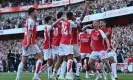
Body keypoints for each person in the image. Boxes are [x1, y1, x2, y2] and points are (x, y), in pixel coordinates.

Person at [15, 7, 43, 80]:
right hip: (30, 43)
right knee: (41, 57)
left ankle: (17, 78)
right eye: (35, 12)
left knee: (23, 61)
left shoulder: (29, 20)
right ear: (31, 13)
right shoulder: (31, 21)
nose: (37, 13)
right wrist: (28, 43)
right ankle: (36, 76)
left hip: (26, 42)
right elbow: (30, 33)